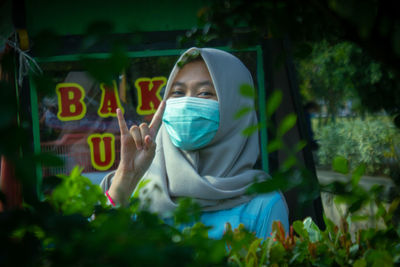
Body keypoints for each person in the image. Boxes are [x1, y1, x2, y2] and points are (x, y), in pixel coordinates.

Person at [101, 47, 289, 239]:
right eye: (177, 92)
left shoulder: (262, 206)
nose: (186, 103)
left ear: (235, 105)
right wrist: (125, 177)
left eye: (205, 93)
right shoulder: (134, 191)